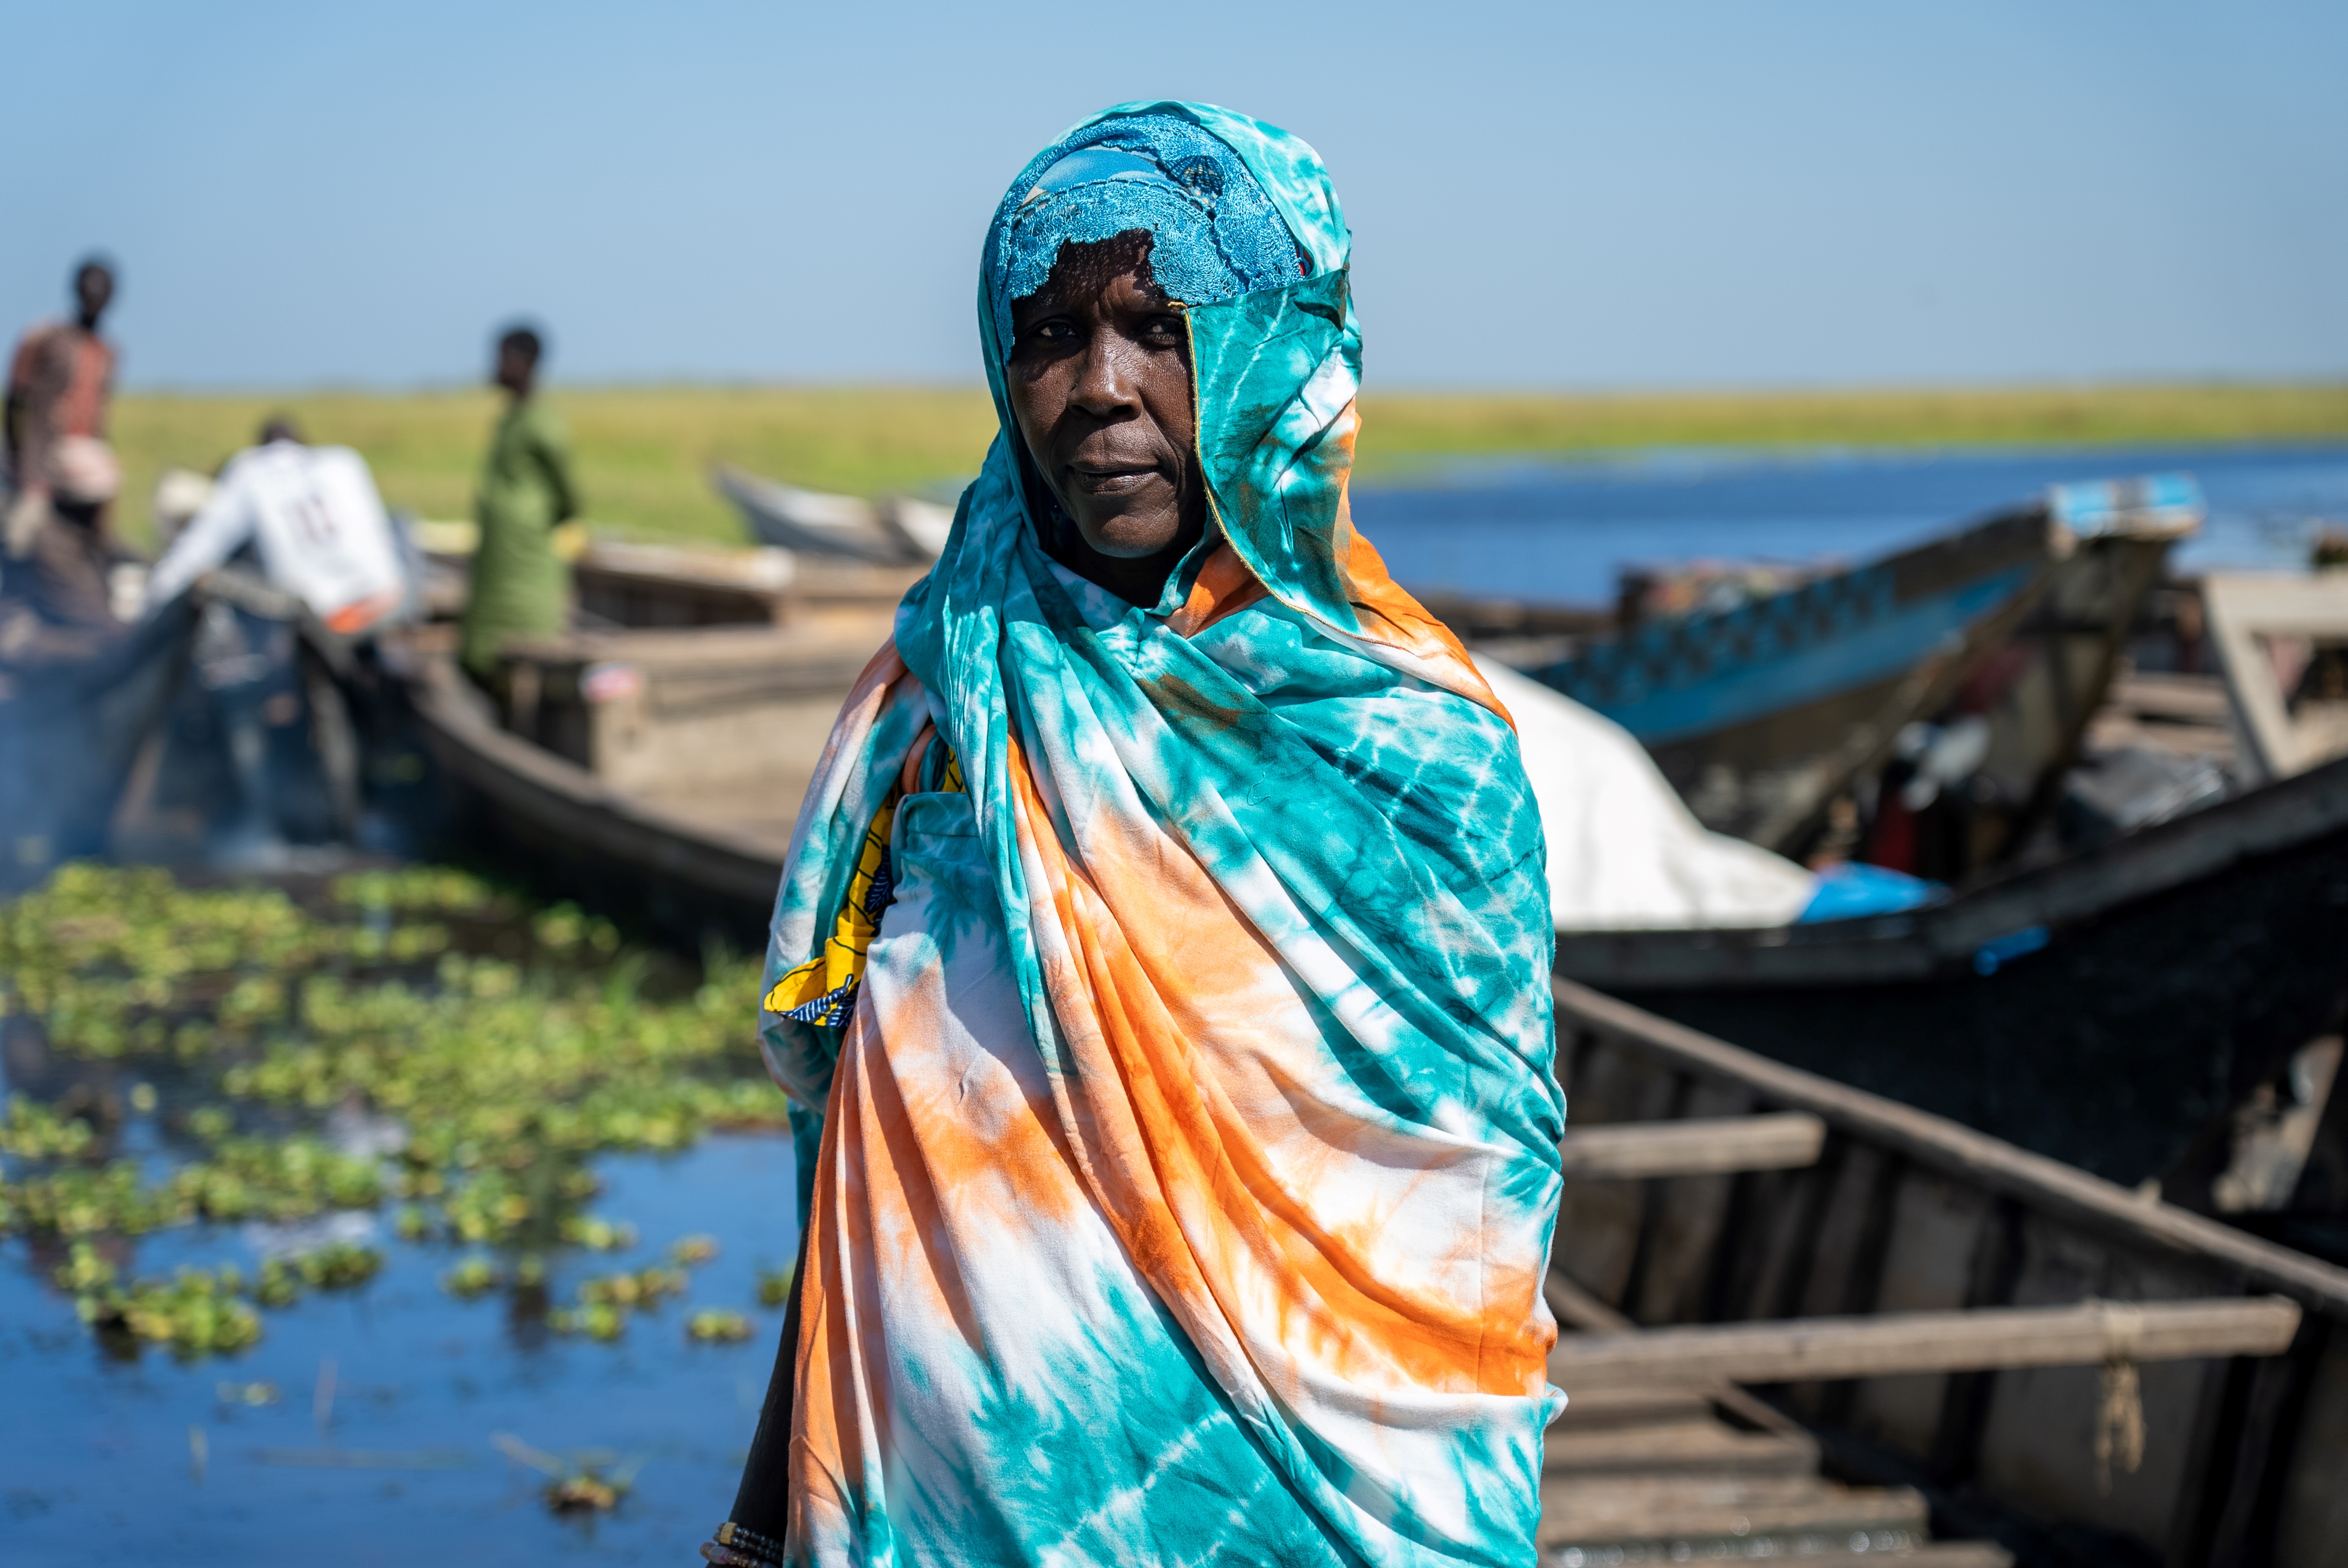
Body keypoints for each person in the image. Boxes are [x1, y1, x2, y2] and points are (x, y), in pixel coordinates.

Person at [714, 105, 1564, 1568]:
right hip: (940, 1516)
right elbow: (842, 1127)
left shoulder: (1429, 762)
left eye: (1159, 329)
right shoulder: (945, 701)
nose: (1100, 391)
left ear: (1283, 355)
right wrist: (754, 1516)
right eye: (1047, 336)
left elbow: (1478, 1225)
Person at [146, 417, 408, 632]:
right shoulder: (343, 461)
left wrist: (151, 600)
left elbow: (200, 547)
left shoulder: (249, 470)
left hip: (320, 618)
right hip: (386, 601)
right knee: (401, 524)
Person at [4, 257, 124, 638]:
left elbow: (96, 417)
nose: (93, 299)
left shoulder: (106, 353)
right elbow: (17, 403)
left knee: (91, 555)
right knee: (21, 542)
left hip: (84, 475)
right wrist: (23, 466)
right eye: (88, 289)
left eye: (101, 292)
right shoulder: (46, 339)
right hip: (40, 467)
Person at [461, 324, 578, 681]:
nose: (495, 367)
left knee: (527, 636)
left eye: (502, 358)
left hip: (526, 558)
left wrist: (527, 521)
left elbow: (568, 496)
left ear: (526, 363)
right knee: (486, 634)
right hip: (501, 558)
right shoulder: (510, 420)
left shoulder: (542, 424)